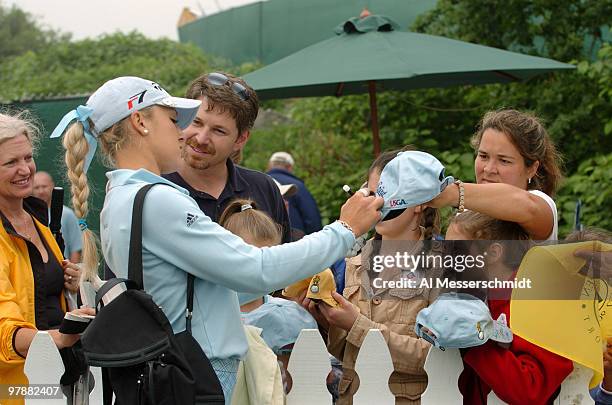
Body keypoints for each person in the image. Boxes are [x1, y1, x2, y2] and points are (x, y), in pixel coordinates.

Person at [52, 76, 382, 402]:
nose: (182, 132)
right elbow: (255, 269)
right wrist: (344, 229)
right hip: (197, 365)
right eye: (172, 119)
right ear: (140, 122)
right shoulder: (158, 200)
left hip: (168, 362)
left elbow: (212, 285)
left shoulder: (124, 195)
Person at [307, 148, 443, 404]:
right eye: (372, 193)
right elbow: (347, 353)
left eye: (389, 193)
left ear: (421, 202)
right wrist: (327, 322)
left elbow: (437, 357)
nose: (377, 204)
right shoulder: (353, 264)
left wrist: (357, 325)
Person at [0, 111, 93, 396]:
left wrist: (71, 287)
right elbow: (5, 330)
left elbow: (42, 295)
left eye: (27, 158)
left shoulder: (38, 220)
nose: (25, 169)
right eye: (11, 162)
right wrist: (59, 337)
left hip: (59, 377)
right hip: (14, 387)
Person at [446, 211, 573, 404]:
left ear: (494, 253)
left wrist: (472, 339)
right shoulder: (474, 296)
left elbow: (530, 390)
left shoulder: (540, 302)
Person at [163, 72, 292, 242]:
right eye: (196, 122)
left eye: (218, 131)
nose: (201, 138)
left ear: (241, 139)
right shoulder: (154, 187)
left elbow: (281, 262)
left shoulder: (263, 188)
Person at [219, 198, 316, 394]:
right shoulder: (211, 314)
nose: (261, 273)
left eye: (268, 262)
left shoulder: (291, 316)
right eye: (252, 262)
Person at [429, 109, 563, 240]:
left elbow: (526, 206)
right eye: (483, 156)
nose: (488, 169)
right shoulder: (464, 214)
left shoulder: (541, 203)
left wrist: (453, 193)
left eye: (504, 161)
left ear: (532, 169)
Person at [267, 151, 322, 238]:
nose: (285, 204)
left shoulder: (257, 184)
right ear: (290, 167)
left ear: (269, 165)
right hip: (295, 243)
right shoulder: (298, 186)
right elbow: (311, 218)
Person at [31, 171, 83, 263]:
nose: (41, 191)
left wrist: (71, 273)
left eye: (44, 186)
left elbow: (76, 249)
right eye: (36, 187)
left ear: (52, 186)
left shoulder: (67, 214)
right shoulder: (28, 215)